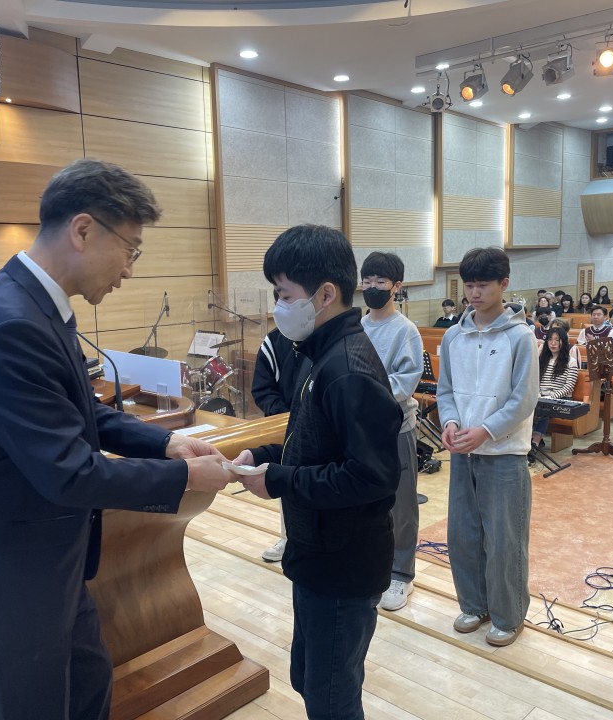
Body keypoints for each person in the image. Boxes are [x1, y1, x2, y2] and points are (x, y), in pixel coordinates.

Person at [0, 159, 235, 720]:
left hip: (48, 569)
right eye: (131, 249)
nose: (129, 270)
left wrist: (165, 445)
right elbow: (69, 471)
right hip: (6, 579)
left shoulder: (36, 305)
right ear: (83, 230)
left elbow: (81, 413)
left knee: (89, 689)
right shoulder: (13, 322)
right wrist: (186, 476)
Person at [232, 225, 402, 720]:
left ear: (325, 294)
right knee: (308, 676)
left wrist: (278, 480)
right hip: (316, 552)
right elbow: (311, 443)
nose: (277, 306)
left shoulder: (346, 367)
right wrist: (263, 455)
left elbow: (371, 476)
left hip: (343, 563)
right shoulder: (318, 355)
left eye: (284, 294)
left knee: (331, 697)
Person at [436, 247, 538, 647]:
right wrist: (450, 422)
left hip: (504, 454)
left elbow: (523, 399)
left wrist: (486, 430)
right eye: (469, 285)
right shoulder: (453, 335)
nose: (474, 293)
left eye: (483, 285)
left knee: (504, 540)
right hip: (463, 452)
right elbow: (445, 391)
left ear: (504, 284)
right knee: (462, 534)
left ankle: (509, 616)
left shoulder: (520, 336)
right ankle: (474, 605)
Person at [359, 251, 424, 612]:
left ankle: (401, 574)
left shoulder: (405, 330)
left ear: (396, 286)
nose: (373, 287)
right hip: (360, 430)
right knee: (367, 502)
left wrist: (367, 394)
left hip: (396, 428)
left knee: (401, 506)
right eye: (367, 280)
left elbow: (406, 381)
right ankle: (374, 566)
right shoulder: (358, 326)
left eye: (380, 281)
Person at [251, 315, 313, 563]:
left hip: (319, 425)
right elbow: (262, 388)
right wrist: (285, 415)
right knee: (288, 482)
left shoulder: (322, 335)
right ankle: (288, 538)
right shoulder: (273, 341)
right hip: (286, 426)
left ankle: (310, 543)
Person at [530, 326, 578, 453]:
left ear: (564, 341)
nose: (553, 343)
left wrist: (551, 397)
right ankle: (527, 441)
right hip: (541, 396)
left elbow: (569, 387)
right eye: (550, 339)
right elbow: (535, 380)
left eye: (557, 340)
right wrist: (538, 393)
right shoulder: (542, 359)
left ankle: (534, 443)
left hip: (560, 398)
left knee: (545, 410)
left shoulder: (571, 362)